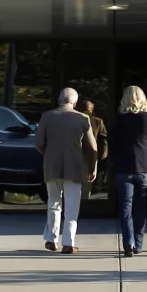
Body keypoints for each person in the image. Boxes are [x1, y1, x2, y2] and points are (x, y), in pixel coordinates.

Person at [35, 87, 98, 254]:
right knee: (71, 207)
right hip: (74, 168)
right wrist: (92, 167)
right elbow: (92, 147)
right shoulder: (83, 119)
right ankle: (69, 242)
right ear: (75, 103)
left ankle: (51, 239)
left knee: (53, 204)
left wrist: (49, 154)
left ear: (59, 99)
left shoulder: (47, 117)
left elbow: (38, 142)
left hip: (52, 166)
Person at [111, 86, 147, 256]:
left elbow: (113, 141)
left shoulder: (120, 118)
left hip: (123, 167)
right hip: (144, 165)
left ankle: (128, 242)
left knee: (125, 206)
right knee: (140, 206)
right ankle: (138, 243)